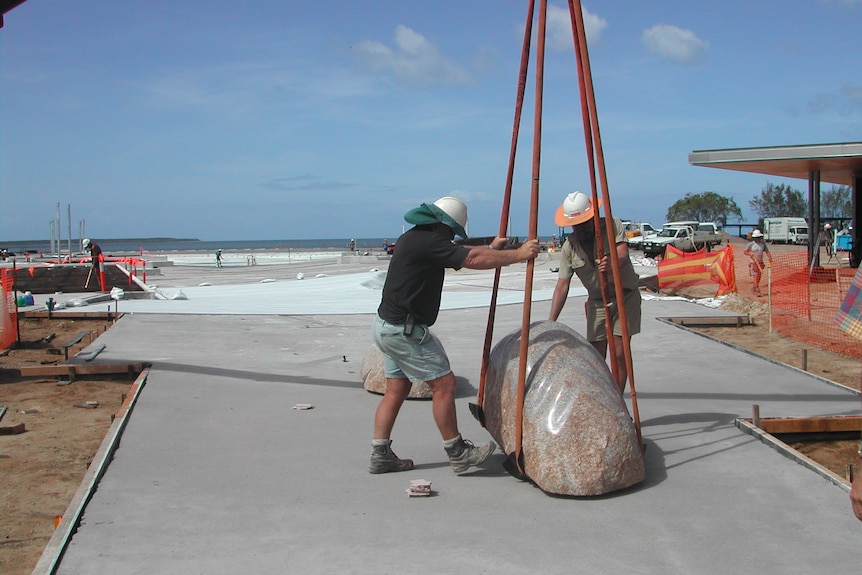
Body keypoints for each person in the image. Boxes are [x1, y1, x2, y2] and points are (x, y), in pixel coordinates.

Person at [370, 196, 541, 474]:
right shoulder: (428, 242)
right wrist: (519, 255)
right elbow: (471, 258)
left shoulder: (414, 239)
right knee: (445, 386)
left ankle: (380, 454)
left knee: (396, 389)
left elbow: (457, 250)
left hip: (385, 326)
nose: (450, 236)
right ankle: (457, 452)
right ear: (441, 226)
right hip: (405, 330)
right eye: (450, 231)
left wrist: (491, 247)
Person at [548, 192, 641, 394]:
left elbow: (623, 254)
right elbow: (562, 285)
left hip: (624, 296)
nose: (581, 229)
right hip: (597, 301)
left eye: (584, 224)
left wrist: (612, 262)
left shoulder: (612, 225)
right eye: (576, 226)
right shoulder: (569, 247)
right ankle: (602, 398)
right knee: (595, 357)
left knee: (619, 354)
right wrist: (551, 320)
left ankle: (618, 402)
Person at [743, 230, 772, 296]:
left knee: (758, 277)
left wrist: (770, 258)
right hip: (753, 262)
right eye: (756, 237)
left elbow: (767, 251)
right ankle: (756, 289)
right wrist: (750, 254)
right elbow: (745, 251)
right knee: (755, 276)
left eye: (759, 237)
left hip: (760, 262)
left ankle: (754, 287)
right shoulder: (751, 244)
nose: (758, 238)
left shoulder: (762, 244)